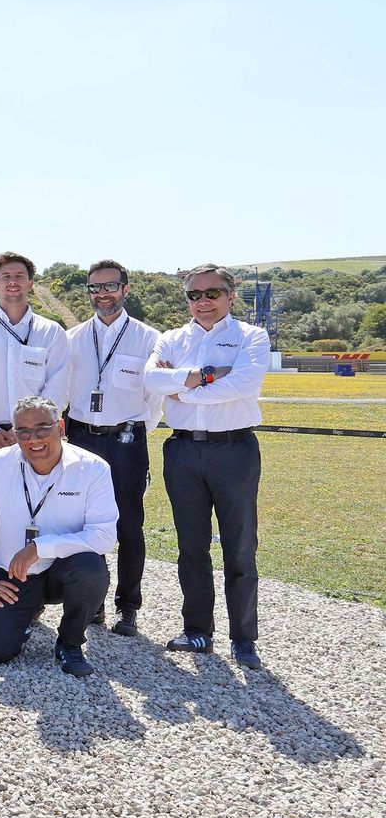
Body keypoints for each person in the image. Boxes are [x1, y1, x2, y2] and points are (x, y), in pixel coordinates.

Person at [144, 264, 270, 669]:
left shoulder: (251, 336)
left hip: (233, 450)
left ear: (231, 296)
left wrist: (184, 391)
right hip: (183, 452)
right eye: (194, 295)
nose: (203, 301)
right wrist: (204, 378)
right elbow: (150, 380)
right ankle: (198, 630)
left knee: (239, 547)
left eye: (212, 293)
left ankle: (243, 637)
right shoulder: (172, 338)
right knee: (191, 547)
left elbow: (245, 384)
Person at [0, 396, 118, 676]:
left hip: (61, 571)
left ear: (60, 427)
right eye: (23, 431)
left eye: (42, 428)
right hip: (10, 573)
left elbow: (104, 536)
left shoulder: (94, 468)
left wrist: (40, 547)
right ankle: (25, 615)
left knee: (91, 568)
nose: (33, 439)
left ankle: (70, 642)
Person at [65, 260, 162, 636]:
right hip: (82, 438)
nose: (102, 294)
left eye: (110, 286)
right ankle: (94, 604)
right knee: (84, 521)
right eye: (95, 288)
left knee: (129, 525)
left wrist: (134, 427)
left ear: (126, 289)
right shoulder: (72, 338)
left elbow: (154, 398)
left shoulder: (149, 339)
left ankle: (128, 606)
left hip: (126, 441)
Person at [0, 252, 72, 565]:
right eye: (6, 277)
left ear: (31, 284)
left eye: (20, 277)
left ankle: (36, 585)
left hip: (38, 438)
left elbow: (57, 387)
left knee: (36, 510)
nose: (13, 282)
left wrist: (28, 431)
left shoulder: (51, 333)